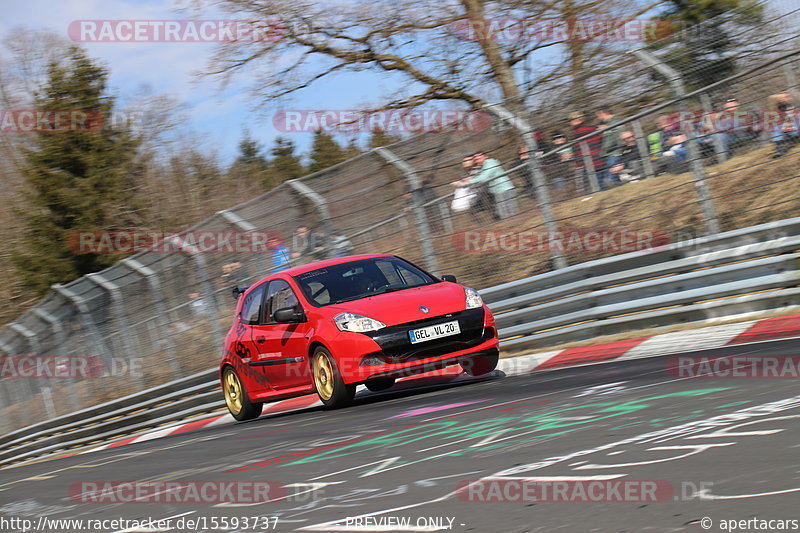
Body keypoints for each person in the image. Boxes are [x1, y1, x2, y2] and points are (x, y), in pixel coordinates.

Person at [469, 151, 518, 219]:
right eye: (475, 157)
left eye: (479, 156)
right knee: (505, 214)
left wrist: (469, 182)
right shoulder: (483, 167)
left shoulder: (490, 162)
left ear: (486, 156)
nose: (477, 158)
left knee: (511, 213)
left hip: (504, 189)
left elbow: (484, 176)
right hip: (498, 192)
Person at [569, 112, 604, 192]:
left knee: (594, 186)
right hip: (597, 160)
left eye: (571, 120)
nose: (570, 123)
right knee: (598, 184)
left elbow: (577, 147)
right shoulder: (592, 128)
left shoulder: (579, 131)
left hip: (590, 162)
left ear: (577, 120)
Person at [767, 90, 800, 158]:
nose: (788, 98)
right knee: (775, 127)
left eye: (787, 97)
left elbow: (791, 120)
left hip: (794, 130)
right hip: (786, 132)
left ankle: (782, 147)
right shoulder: (776, 110)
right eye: (783, 98)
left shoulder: (789, 107)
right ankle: (780, 148)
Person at [596, 107, 624, 188]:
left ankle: (617, 190)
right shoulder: (609, 123)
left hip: (615, 152)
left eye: (598, 115)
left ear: (603, 113)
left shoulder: (615, 121)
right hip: (611, 152)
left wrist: (606, 130)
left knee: (612, 176)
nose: (598, 118)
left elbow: (617, 136)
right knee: (612, 176)